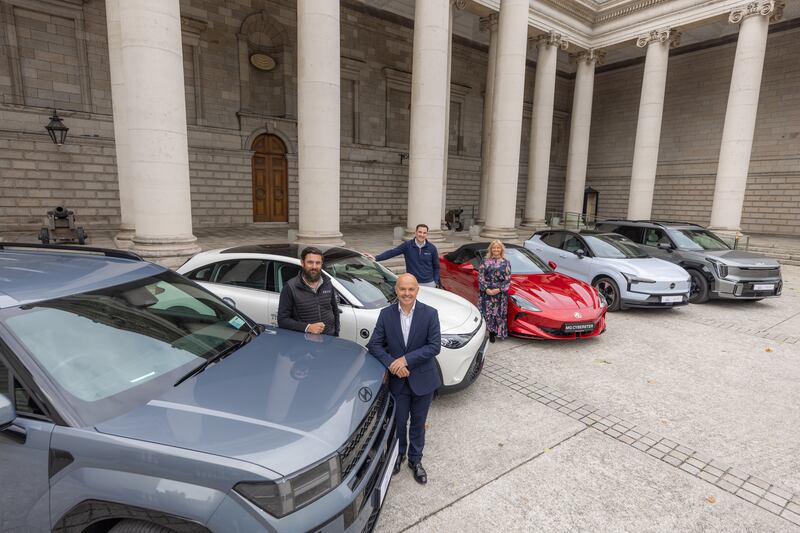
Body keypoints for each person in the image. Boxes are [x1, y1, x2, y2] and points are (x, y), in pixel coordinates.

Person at [367, 273, 441, 485]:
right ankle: (398, 455)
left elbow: (434, 346)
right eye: (402, 289)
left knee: (418, 424)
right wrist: (393, 364)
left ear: (417, 290)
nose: (406, 293)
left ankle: (415, 461)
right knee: (398, 423)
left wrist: (405, 360)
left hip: (423, 381)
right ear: (396, 290)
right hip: (398, 383)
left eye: (411, 289)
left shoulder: (430, 314)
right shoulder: (385, 314)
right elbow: (375, 345)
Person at [277, 246, 340, 336]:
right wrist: (307, 327)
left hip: (329, 339)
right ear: (302, 263)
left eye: (318, 263)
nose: (314, 267)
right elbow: (282, 320)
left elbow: (334, 309)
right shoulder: (290, 287)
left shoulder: (327, 282)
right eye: (310, 262)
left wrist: (336, 332)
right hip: (306, 341)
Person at [369, 224, 440, 287]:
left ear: (427, 234)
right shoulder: (407, 245)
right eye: (420, 232)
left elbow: (436, 266)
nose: (422, 234)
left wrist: (435, 281)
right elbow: (392, 252)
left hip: (428, 283)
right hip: (412, 282)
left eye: (424, 233)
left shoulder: (432, 248)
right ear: (416, 232)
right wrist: (375, 258)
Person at [479, 240, 511, 343]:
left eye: (498, 248)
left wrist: (498, 289)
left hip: (500, 293)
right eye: (494, 248)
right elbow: (480, 277)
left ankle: (496, 332)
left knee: (497, 313)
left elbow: (508, 279)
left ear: (501, 249)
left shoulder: (506, 263)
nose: (496, 249)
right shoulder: (485, 262)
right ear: (491, 249)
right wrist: (486, 289)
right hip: (487, 292)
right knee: (487, 313)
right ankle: (487, 332)